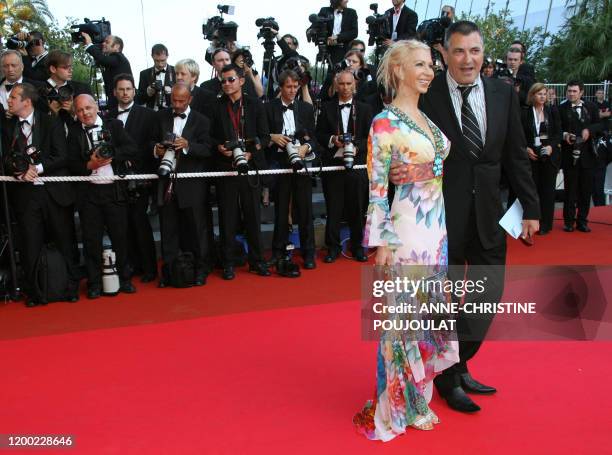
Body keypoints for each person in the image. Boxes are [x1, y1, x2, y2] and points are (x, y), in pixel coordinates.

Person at [389, 21, 539, 413]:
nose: (468, 59)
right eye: (458, 51)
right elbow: (397, 132)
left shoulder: (503, 93)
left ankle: (454, 364)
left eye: (475, 51)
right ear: (444, 54)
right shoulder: (427, 94)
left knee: (486, 299)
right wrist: (394, 168)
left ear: (483, 52)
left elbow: (516, 155)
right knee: (444, 304)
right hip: (441, 219)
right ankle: (449, 377)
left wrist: (532, 208)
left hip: (491, 215)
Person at [353, 40, 458, 441]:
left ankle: (419, 398)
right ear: (398, 71)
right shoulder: (384, 123)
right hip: (406, 232)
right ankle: (398, 403)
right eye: (420, 64)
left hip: (436, 232)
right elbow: (377, 189)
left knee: (428, 318)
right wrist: (380, 242)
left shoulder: (425, 118)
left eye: (430, 64)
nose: (429, 70)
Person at [2, 83, 80, 306]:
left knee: (64, 240)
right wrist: (18, 171)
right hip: (26, 197)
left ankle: (71, 287)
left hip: (53, 192)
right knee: (30, 244)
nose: (9, 100)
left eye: (14, 97)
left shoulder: (50, 122)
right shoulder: (8, 127)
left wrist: (38, 169)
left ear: (27, 101)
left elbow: (62, 155)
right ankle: (36, 293)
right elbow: (5, 159)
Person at [66, 94, 138, 299]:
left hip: (114, 191)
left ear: (96, 106)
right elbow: (71, 164)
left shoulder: (113, 126)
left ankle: (125, 279)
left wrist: (111, 154)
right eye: (80, 110)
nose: (85, 113)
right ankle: (94, 283)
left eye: (88, 108)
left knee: (121, 238)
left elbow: (132, 148)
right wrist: (89, 165)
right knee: (91, 241)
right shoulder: (73, 133)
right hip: (89, 194)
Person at [210, 64, 271, 280]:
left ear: (241, 80)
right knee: (227, 218)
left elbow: (265, 138)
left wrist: (250, 154)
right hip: (225, 169)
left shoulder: (255, 105)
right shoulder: (216, 106)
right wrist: (219, 147)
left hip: (250, 169)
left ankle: (257, 261)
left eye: (230, 80)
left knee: (253, 217)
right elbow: (209, 137)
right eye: (223, 80)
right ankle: (227, 264)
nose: (226, 84)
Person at [154, 83, 212, 287]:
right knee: (168, 230)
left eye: (181, 101)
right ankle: (169, 273)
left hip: (192, 185)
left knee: (196, 231)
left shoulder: (202, 120)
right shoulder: (160, 116)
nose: (177, 105)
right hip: (165, 182)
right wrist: (157, 150)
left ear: (190, 99)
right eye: (174, 101)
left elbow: (207, 149)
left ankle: (200, 270)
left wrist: (188, 146)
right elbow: (149, 143)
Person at [315, 70, 372, 263]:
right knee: (333, 209)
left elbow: (371, 138)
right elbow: (319, 135)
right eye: (342, 84)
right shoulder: (326, 107)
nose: (345, 88)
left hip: (357, 167)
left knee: (357, 209)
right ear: (336, 85)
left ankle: (358, 246)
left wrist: (356, 147)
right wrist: (333, 139)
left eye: (349, 84)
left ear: (354, 85)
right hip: (333, 167)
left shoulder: (365, 109)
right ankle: (333, 247)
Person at [265, 70, 318, 272]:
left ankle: (309, 252)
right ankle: (278, 252)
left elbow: (313, 137)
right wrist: (272, 137)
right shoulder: (269, 108)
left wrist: (306, 148)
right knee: (280, 211)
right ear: (281, 87)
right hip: (279, 163)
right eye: (289, 86)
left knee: (305, 210)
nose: (293, 90)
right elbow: (261, 134)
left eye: (296, 86)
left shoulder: (305, 108)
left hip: (302, 163)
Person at [110, 74, 158, 282]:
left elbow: (151, 144)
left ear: (134, 91)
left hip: (141, 176)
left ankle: (149, 268)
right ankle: (130, 265)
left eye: (128, 89)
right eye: (121, 89)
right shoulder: (107, 116)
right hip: (115, 177)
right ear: (114, 92)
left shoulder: (147, 115)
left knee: (140, 223)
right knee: (123, 225)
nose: (125, 93)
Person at [521, 83, 562, 234]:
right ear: (532, 95)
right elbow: (518, 134)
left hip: (548, 156)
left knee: (548, 191)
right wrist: (525, 148)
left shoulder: (552, 111)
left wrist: (551, 146)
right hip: (531, 156)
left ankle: (545, 225)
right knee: (532, 191)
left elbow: (558, 133)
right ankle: (531, 222)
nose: (543, 97)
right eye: (539, 94)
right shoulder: (525, 112)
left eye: (545, 94)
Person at [559, 81, 600, 232]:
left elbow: (600, 125)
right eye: (569, 91)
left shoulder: (591, 107)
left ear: (581, 92)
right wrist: (565, 135)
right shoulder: (560, 108)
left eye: (574, 91)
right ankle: (569, 222)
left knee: (585, 190)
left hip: (588, 155)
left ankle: (583, 221)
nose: (571, 94)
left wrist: (589, 130)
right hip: (569, 155)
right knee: (570, 190)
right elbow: (557, 129)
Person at [81, 34, 132, 108]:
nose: (103, 44)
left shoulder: (118, 57)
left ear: (117, 46)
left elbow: (102, 59)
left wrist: (89, 44)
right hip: (115, 103)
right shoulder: (112, 61)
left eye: (107, 42)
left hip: (123, 103)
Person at [0, 50, 42, 117]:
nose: (10, 69)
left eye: (13, 65)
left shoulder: (37, 87)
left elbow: (43, 114)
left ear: (22, 67)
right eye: (6, 66)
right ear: (2, 68)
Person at [318, 0, 358, 65]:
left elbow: (354, 33)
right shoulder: (325, 11)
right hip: (330, 51)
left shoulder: (352, 13)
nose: (347, 1)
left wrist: (337, 37)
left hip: (345, 51)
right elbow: (317, 27)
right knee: (332, 73)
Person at [137, 43, 175, 111]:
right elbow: (139, 100)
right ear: (152, 56)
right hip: (152, 113)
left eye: (163, 60)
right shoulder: (144, 74)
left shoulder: (176, 71)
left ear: (167, 56)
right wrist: (147, 93)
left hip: (172, 112)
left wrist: (172, 91)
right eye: (157, 61)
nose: (160, 64)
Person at [593, 87, 610, 207]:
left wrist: (602, 114)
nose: (601, 95)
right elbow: (597, 116)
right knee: (599, 174)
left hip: (607, 138)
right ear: (595, 94)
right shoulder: (593, 105)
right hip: (599, 141)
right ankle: (599, 204)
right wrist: (602, 114)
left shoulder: (607, 103)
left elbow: (608, 114)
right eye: (599, 93)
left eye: (602, 93)